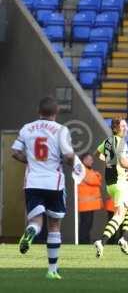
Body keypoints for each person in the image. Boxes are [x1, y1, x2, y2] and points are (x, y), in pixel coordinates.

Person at [11, 96, 75, 280]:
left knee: (36, 221)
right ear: (56, 113)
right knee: (54, 226)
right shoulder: (61, 130)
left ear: (39, 111)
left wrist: (30, 160)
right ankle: (52, 270)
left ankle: (31, 231)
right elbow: (69, 156)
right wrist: (73, 164)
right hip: (54, 182)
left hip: (32, 182)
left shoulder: (26, 128)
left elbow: (15, 152)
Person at [93, 118, 128, 258]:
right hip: (120, 183)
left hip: (111, 183)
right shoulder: (121, 143)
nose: (126, 128)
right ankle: (102, 242)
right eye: (123, 126)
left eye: (126, 125)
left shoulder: (107, 141)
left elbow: (97, 154)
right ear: (115, 129)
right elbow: (124, 163)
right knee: (119, 215)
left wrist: (109, 161)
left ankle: (124, 239)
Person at [77, 153, 103, 244]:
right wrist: (97, 175)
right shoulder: (82, 169)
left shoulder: (87, 170)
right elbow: (94, 180)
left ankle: (85, 241)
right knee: (85, 225)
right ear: (84, 160)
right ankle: (83, 242)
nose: (92, 161)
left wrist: (96, 175)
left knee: (88, 225)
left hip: (89, 205)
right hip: (85, 204)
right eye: (89, 159)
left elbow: (96, 178)